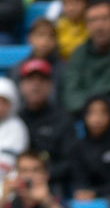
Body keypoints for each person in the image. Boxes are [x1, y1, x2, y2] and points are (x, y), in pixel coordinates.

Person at [17, 59, 76, 198]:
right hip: (18, 182)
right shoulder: (15, 120)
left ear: (50, 86)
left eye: (42, 80)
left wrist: (43, 175)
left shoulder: (63, 119)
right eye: (30, 80)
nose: (36, 85)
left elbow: (70, 161)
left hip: (52, 183)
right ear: (21, 86)